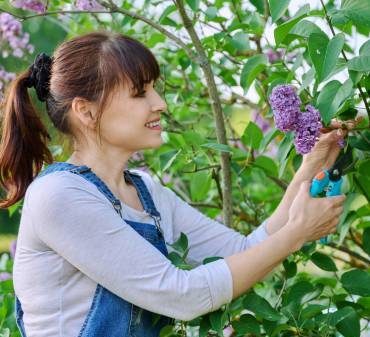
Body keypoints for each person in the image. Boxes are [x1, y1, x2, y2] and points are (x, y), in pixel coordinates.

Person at [0, 30, 349, 337]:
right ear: (86, 111)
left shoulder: (146, 193)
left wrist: (312, 163)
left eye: (155, 89)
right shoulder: (60, 196)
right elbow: (182, 295)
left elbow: (243, 252)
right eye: (140, 93)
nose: (160, 104)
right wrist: (297, 234)